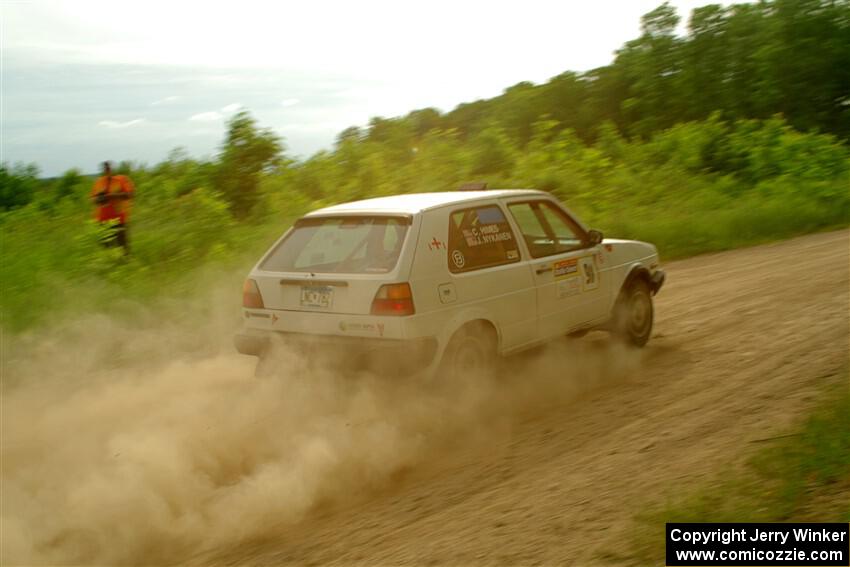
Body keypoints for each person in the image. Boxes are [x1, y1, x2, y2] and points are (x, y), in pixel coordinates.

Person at [90, 161, 134, 253]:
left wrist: (111, 195)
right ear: (103, 170)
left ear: (113, 169)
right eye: (105, 168)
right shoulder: (98, 182)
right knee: (106, 246)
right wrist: (100, 199)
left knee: (122, 245)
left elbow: (129, 194)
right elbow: (92, 199)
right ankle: (111, 264)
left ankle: (125, 264)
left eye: (109, 168)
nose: (107, 170)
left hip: (119, 218)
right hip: (102, 219)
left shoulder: (122, 179)